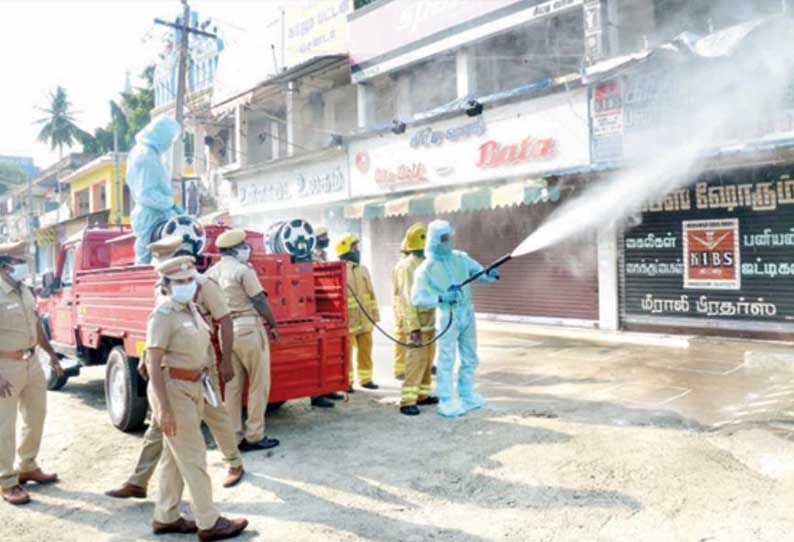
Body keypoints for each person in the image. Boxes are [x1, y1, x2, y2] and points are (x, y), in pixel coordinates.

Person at [105, 236, 245, 501]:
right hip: (170, 368)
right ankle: (139, 480)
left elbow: (225, 321)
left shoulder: (202, 285)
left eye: (162, 258)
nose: (157, 264)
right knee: (159, 423)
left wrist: (226, 359)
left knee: (215, 414)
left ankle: (234, 461)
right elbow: (159, 324)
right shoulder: (163, 285)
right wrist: (149, 356)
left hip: (199, 363)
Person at [143, 256, 248, 539]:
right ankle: (209, 522)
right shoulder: (163, 314)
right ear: (166, 285)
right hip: (173, 390)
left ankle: (165, 516)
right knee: (193, 455)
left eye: (190, 280)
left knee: (173, 457)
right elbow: (153, 362)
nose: (186, 286)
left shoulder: (190, 309)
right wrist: (163, 408)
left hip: (194, 385)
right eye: (179, 282)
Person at [411, 220, 500, 418]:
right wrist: (441, 298)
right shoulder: (426, 269)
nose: (447, 241)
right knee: (446, 358)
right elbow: (417, 297)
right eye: (443, 238)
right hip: (447, 315)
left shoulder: (461, 258)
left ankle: (467, 394)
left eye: (448, 237)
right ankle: (446, 400)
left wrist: (489, 274)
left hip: (467, 311)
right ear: (434, 240)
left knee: (470, 356)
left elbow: (479, 274)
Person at [0, 240, 62, 505]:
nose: (24, 266)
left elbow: (36, 326)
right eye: (19, 262)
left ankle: (27, 464)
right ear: (5, 265)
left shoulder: (25, 290)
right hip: (6, 366)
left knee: (36, 416)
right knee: (4, 426)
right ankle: (6, 480)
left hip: (32, 361)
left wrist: (50, 354)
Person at [207, 229, 280, 452]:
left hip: (226, 330)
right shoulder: (243, 270)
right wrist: (272, 323)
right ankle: (255, 435)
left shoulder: (212, 272)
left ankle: (233, 436)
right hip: (248, 328)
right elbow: (258, 299)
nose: (247, 249)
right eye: (244, 246)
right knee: (259, 383)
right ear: (234, 249)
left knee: (233, 386)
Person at [125, 115, 186, 264]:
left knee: (157, 256)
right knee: (148, 258)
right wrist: (170, 204)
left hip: (153, 214)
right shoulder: (147, 157)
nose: (168, 144)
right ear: (161, 135)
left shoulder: (145, 153)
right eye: (169, 139)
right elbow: (146, 194)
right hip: (151, 215)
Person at [393, 223, 439, 416]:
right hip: (417, 325)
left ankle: (422, 395)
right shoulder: (407, 266)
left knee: (427, 361)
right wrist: (414, 327)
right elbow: (406, 299)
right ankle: (407, 400)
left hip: (429, 322)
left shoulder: (426, 263)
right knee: (415, 362)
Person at [337, 233, 379, 392]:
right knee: (346, 353)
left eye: (357, 247)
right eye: (354, 247)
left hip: (365, 319)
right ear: (346, 250)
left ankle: (366, 379)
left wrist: (375, 315)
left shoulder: (363, 269)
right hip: (349, 320)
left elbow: (371, 293)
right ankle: (346, 382)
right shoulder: (339, 269)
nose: (357, 250)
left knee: (366, 350)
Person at [309, 226, 343, 408]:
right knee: (318, 353)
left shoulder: (322, 255)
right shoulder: (309, 255)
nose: (326, 239)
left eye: (327, 236)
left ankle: (329, 388)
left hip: (327, 306)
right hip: (314, 305)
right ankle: (317, 394)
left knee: (329, 351)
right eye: (323, 236)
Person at [391, 251, 407, 381]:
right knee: (402, 338)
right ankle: (399, 370)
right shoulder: (403, 266)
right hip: (403, 308)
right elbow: (402, 291)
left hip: (409, 306)